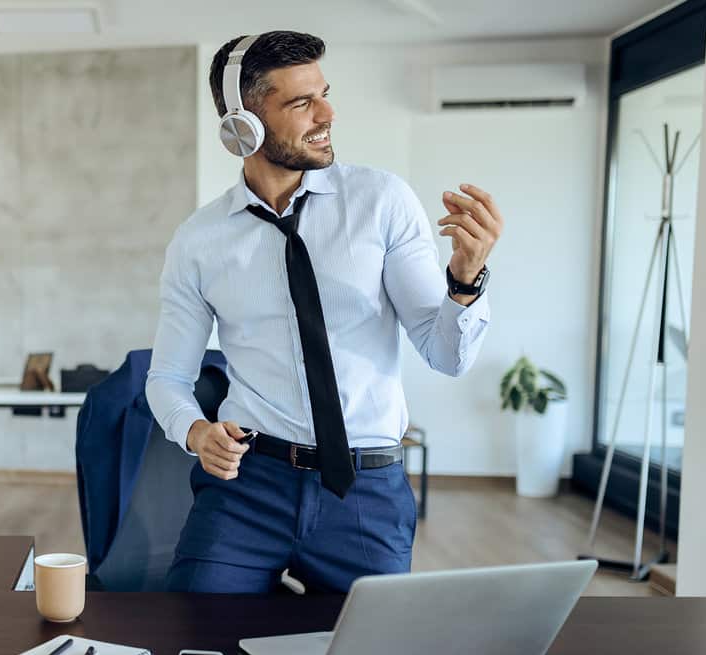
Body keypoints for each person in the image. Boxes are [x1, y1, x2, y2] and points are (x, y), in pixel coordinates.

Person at [146, 30, 502, 594]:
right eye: (301, 102)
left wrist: (464, 281)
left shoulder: (382, 202)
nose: (328, 113)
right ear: (244, 126)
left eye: (325, 93)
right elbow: (167, 377)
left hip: (366, 490)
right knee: (196, 646)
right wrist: (195, 432)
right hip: (247, 486)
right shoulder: (199, 241)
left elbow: (446, 355)